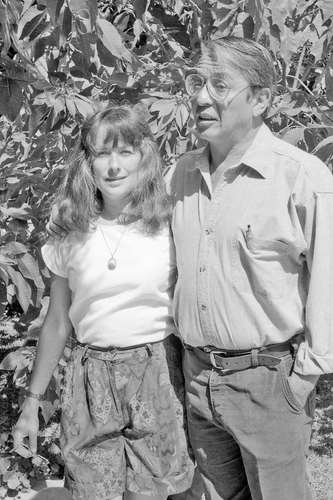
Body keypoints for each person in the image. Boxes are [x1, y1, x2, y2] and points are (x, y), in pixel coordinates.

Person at [168, 36, 333, 500]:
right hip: (198, 377)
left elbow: (328, 282)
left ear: (261, 99)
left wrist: (306, 375)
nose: (201, 96)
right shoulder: (178, 175)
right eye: (198, 82)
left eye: (220, 84)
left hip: (269, 380)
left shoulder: (301, 178)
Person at [13, 104, 194, 500]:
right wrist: (31, 402)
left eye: (125, 152)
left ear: (144, 156)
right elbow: (57, 322)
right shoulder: (69, 230)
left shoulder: (171, 223)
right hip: (90, 376)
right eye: (101, 154)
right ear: (87, 163)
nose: (113, 166)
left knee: (152, 493)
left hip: (156, 371)